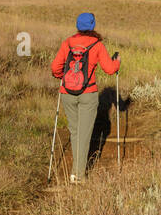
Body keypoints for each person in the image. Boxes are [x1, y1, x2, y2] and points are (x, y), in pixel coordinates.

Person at [50, 12, 120, 183]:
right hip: (88, 94)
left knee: (75, 132)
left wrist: (63, 76)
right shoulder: (97, 44)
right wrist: (117, 61)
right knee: (84, 133)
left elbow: (55, 68)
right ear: (92, 25)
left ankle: (76, 170)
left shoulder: (67, 43)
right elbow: (110, 69)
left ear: (78, 25)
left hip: (67, 93)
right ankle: (78, 175)